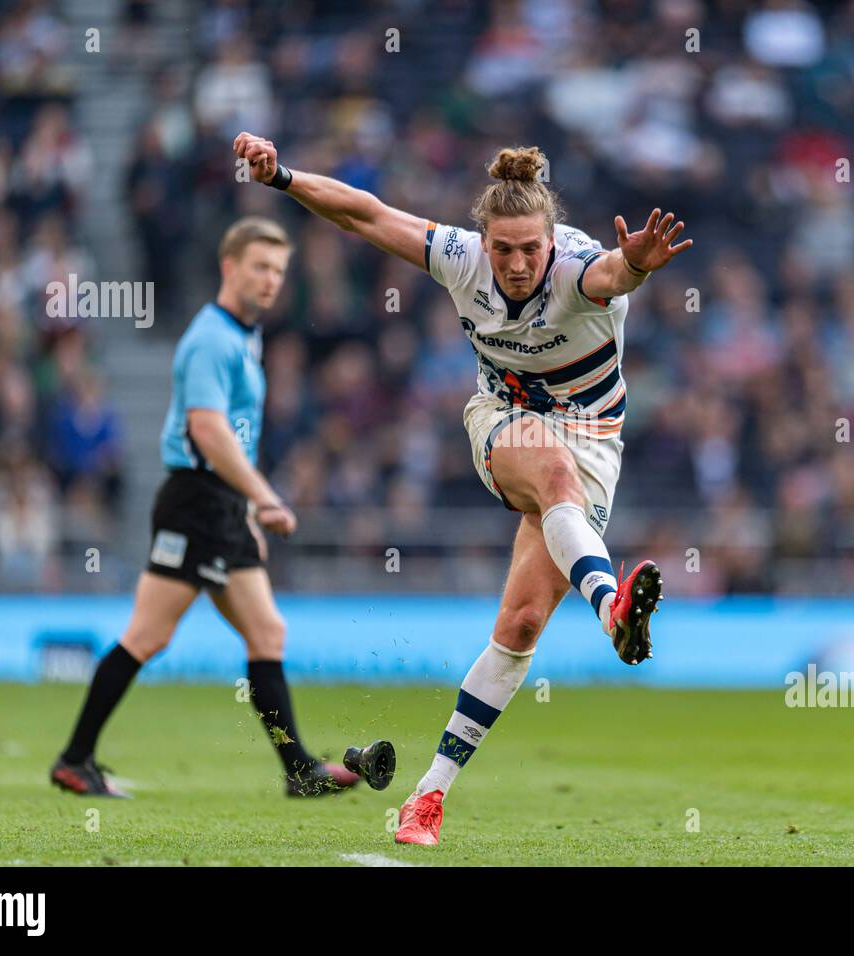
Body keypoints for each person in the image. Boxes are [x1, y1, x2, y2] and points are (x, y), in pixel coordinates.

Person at [233, 132, 690, 844]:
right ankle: (613, 612)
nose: (513, 264)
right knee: (551, 472)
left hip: (595, 439)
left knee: (521, 627)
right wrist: (283, 176)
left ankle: (426, 797)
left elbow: (612, 275)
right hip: (502, 422)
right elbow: (366, 214)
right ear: (484, 240)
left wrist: (635, 263)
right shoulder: (460, 258)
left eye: (528, 250)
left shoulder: (576, 270)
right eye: (501, 249)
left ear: (549, 243)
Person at [49, 216, 394, 798]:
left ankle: (300, 772)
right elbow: (208, 431)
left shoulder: (242, 334)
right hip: (196, 501)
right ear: (228, 266)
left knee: (266, 631)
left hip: (222, 504)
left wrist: (246, 510)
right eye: (259, 267)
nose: (270, 281)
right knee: (149, 635)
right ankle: (73, 758)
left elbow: (233, 433)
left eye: (279, 272)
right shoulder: (211, 338)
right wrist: (262, 498)